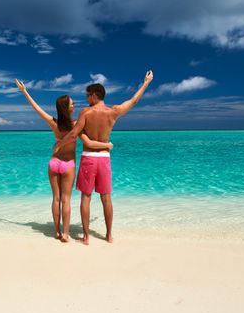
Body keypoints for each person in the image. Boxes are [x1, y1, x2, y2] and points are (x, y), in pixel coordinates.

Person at [53, 71, 154, 245]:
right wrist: (146, 83)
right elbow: (133, 101)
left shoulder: (86, 112)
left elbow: (73, 134)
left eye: (87, 95)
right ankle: (108, 235)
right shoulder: (113, 112)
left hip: (88, 158)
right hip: (104, 159)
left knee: (86, 197)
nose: (86, 99)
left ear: (94, 95)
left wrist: (59, 145)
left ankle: (85, 237)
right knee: (106, 197)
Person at [15, 79, 113, 242]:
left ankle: (57, 232)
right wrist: (107, 145)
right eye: (72, 104)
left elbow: (36, 108)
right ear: (67, 107)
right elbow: (87, 142)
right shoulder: (76, 125)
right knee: (66, 199)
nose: (74, 106)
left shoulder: (53, 123)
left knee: (56, 198)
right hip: (68, 165)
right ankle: (66, 234)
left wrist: (25, 92)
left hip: (53, 163)